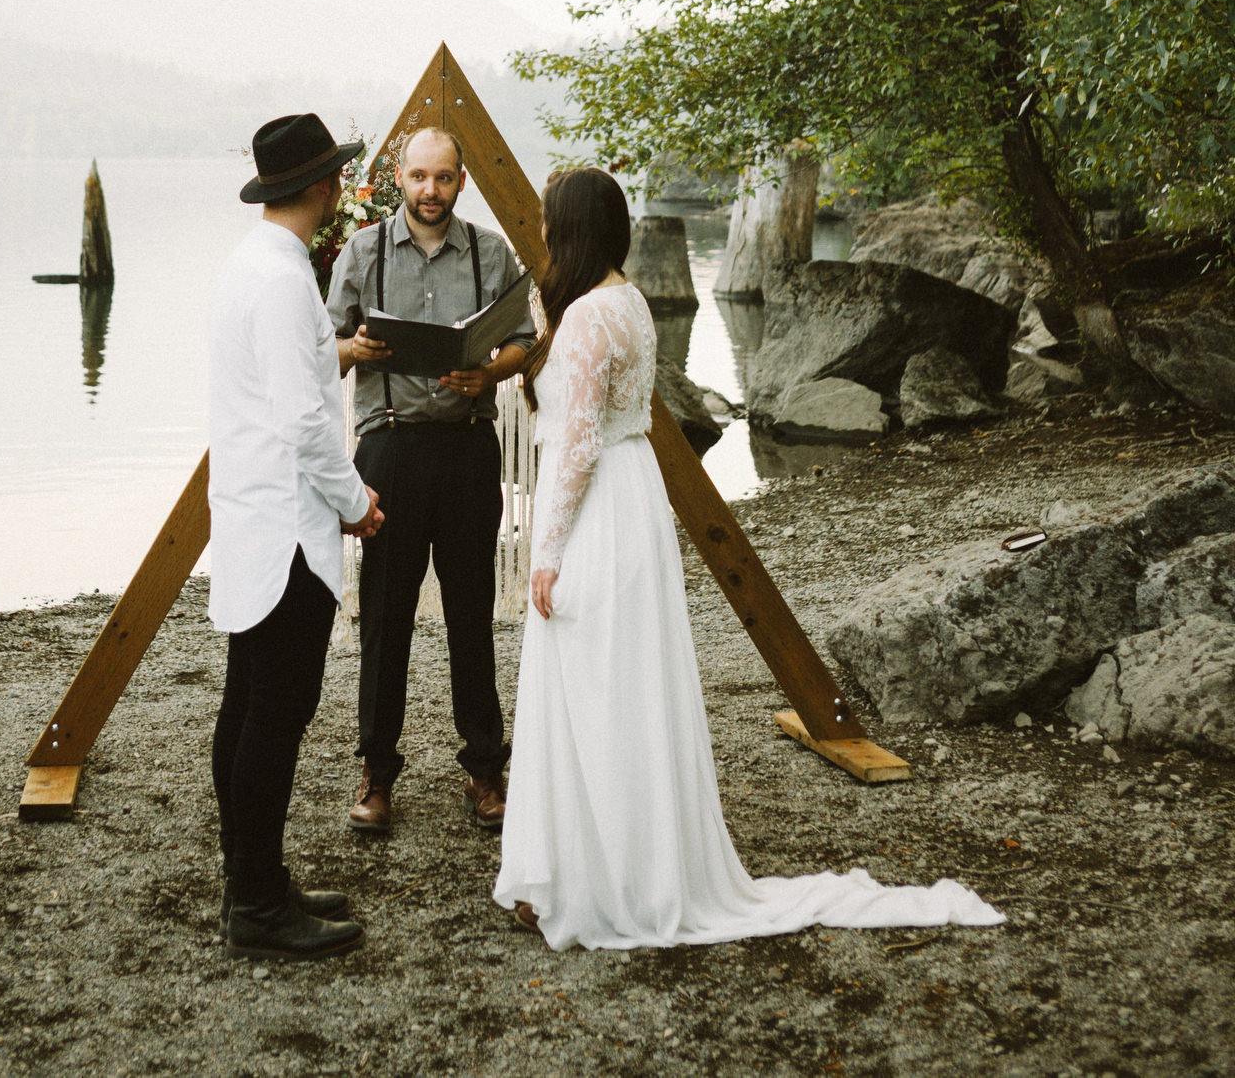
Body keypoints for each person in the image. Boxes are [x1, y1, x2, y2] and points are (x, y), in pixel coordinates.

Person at [495, 167, 1006, 952]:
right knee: (621, 683)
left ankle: (597, 878)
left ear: (569, 230)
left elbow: (577, 445)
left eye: (550, 223)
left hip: (598, 505)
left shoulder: (591, 317)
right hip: (636, 494)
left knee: (589, 683)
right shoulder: (623, 299)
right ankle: (596, 863)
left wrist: (547, 548)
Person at [208, 112, 387, 962]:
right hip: (286, 527)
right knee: (274, 711)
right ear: (322, 186)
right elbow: (304, 419)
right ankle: (255, 902)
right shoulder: (282, 282)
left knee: (247, 702)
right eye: (337, 176)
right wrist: (354, 502)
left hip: (252, 512)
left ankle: (255, 875)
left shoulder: (251, 263)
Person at [326, 125, 536, 834]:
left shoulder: (490, 250)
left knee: (471, 614)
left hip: (468, 445)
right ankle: (377, 772)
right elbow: (322, 349)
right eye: (418, 177)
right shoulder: (363, 251)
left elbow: (526, 340)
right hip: (389, 448)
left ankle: (484, 768)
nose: (430, 191)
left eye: (443, 178)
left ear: (462, 181)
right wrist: (356, 345)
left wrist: (490, 370)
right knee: (385, 617)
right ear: (399, 178)